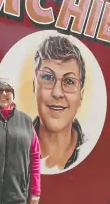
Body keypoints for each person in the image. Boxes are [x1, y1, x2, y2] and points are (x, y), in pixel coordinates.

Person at [32, 35, 86, 171]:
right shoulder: (15, 148)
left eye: (69, 81)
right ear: (34, 86)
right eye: (48, 77)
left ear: (81, 95)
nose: (57, 93)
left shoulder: (89, 150)